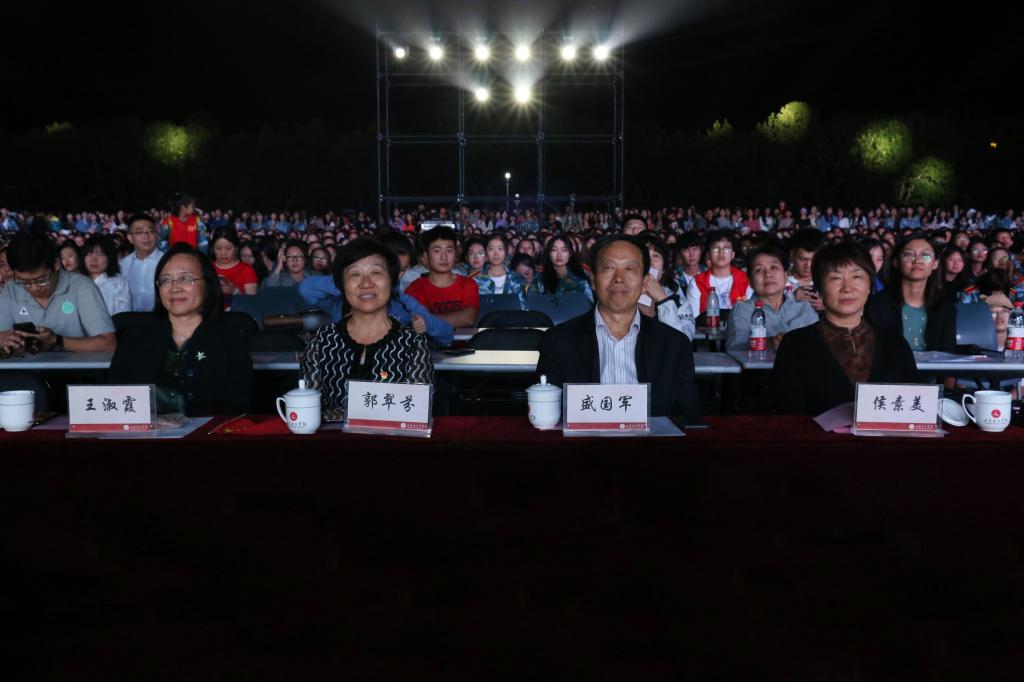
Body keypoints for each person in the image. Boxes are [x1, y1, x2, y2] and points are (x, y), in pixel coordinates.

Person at [537, 234, 700, 421]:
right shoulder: (557, 342)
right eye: (609, 268)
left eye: (630, 269)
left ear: (645, 282)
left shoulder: (674, 345)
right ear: (592, 280)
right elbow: (548, 417)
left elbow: (687, 419)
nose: (619, 278)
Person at [772, 241, 918, 415]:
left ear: (869, 286)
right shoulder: (796, 344)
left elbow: (911, 409)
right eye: (836, 278)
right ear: (820, 289)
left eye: (857, 277)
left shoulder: (896, 345)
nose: (847, 288)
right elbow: (787, 413)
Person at [107, 244, 253, 415]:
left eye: (185, 278)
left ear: (208, 285)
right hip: (144, 432)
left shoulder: (230, 340)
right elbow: (112, 400)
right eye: (165, 280)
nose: (174, 287)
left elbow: (238, 410)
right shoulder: (135, 337)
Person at [299, 238, 434, 421]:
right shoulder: (322, 342)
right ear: (341, 284)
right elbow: (308, 412)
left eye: (376, 273)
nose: (366, 283)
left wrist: (341, 414)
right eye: (355, 274)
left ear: (392, 281)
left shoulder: (412, 344)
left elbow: (417, 414)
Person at [0, 231, 116, 355]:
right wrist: (4, 340)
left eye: (41, 280)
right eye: (24, 282)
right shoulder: (11, 289)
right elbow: (2, 335)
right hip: (24, 367)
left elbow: (109, 344)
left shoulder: (81, 286)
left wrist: (57, 341)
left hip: (76, 366)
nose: (34, 288)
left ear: (56, 264)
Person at [865, 234, 956, 353]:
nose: (917, 260)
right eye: (908, 255)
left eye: (925, 255)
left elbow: (948, 352)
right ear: (896, 262)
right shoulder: (877, 305)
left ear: (935, 264)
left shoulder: (945, 307)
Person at [726, 243, 819, 352]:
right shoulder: (742, 310)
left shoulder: (804, 308)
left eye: (774, 267)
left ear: (785, 276)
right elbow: (734, 349)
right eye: (759, 270)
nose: (768, 274)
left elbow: (819, 346)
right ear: (750, 281)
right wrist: (767, 343)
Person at [404, 227, 480, 328]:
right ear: (426, 256)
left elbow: (468, 318)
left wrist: (428, 321)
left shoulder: (468, 284)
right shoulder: (414, 289)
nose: (444, 257)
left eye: (449, 251)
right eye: (437, 251)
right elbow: (412, 321)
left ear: (455, 253)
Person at [637, 234, 696, 340]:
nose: (649, 261)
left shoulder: (676, 297)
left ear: (663, 268)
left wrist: (663, 300)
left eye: (655, 256)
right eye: (643, 254)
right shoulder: (620, 294)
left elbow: (684, 340)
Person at [686, 230, 753, 319]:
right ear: (709, 254)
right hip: (705, 327)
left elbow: (749, 317)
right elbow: (692, 320)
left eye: (726, 248)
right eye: (715, 248)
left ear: (733, 254)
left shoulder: (746, 280)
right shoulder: (696, 283)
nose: (721, 252)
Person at [119, 213, 164, 312]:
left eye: (151, 231)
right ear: (130, 237)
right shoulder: (123, 265)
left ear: (156, 235)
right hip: (131, 318)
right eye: (139, 232)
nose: (146, 236)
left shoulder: (166, 262)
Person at [82, 234, 132, 316]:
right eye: (89, 254)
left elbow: (123, 314)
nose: (93, 259)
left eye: (100, 254)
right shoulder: (77, 281)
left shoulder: (119, 282)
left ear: (109, 257)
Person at [210, 226, 258, 306]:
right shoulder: (207, 267)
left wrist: (235, 291)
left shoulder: (247, 270)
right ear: (212, 249)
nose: (223, 253)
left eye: (228, 248)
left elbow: (251, 304)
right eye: (218, 248)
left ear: (236, 248)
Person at [537, 233, 593, 301]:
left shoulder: (580, 279)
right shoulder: (539, 278)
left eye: (564, 250)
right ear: (548, 253)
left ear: (570, 254)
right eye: (554, 250)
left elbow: (589, 303)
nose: (559, 254)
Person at [474, 233, 527, 298]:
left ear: (506, 252)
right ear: (485, 252)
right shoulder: (476, 279)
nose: (496, 253)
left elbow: (523, 302)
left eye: (500, 248)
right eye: (491, 249)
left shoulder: (517, 278)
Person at [787, 228, 826, 313]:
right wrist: (790, 299)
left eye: (813, 260)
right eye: (802, 259)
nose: (808, 265)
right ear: (792, 255)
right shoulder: (778, 280)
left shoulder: (828, 280)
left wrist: (829, 306)